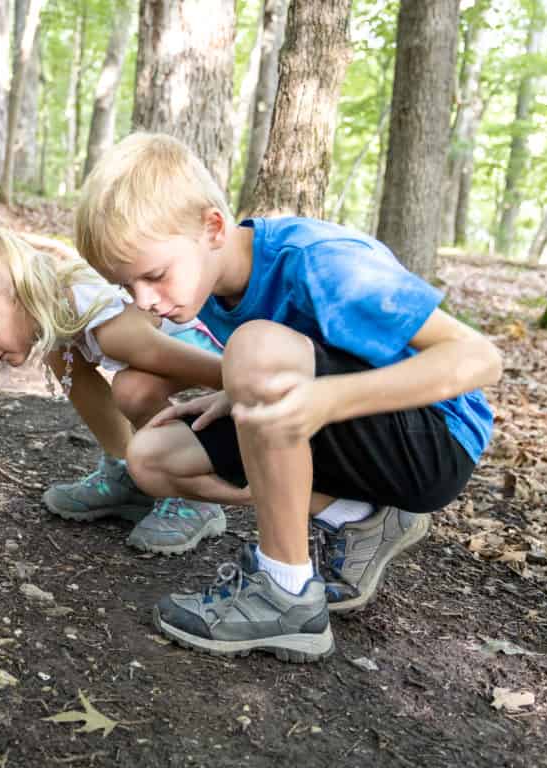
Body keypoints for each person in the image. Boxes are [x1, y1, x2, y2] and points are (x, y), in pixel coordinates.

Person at [73, 132, 502, 662]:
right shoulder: (208, 282)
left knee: (251, 349)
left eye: (155, 277)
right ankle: (357, 519)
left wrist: (323, 398)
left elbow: (480, 359)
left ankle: (286, 591)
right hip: (346, 425)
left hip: (433, 438)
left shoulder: (322, 262)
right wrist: (240, 392)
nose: (147, 302)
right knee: (153, 459)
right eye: (128, 287)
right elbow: (298, 358)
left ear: (212, 228)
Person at [0, 211, 234, 554]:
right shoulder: (57, 313)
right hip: (178, 354)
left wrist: (244, 380)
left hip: (210, 347)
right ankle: (128, 474)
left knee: (132, 389)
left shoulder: (112, 330)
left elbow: (188, 361)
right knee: (61, 356)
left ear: (21, 295)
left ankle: (193, 494)